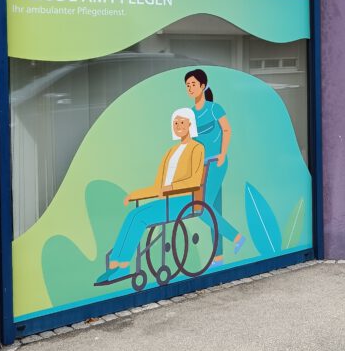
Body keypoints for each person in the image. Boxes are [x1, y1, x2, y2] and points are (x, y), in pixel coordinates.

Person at [94, 108, 206, 285]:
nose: (178, 126)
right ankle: (115, 264)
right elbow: (157, 187)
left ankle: (124, 266)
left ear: (190, 124)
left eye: (182, 122)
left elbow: (194, 181)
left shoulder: (197, 149)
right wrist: (134, 195)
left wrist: (171, 187)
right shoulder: (170, 152)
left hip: (183, 201)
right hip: (166, 200)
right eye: (175, 123)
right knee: (132, 214)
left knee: (139, 218)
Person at [184, 68, 245, 262]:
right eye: (187, 85)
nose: (190, 88)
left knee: (202, 208)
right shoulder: (190, 114)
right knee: (214, 209)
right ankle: (218, 258)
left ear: (203, 86)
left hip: (216, 163)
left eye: (193, 84)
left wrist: (222, 154)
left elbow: (226, 130)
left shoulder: (214, 108)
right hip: (201, 166)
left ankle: (236, 236)